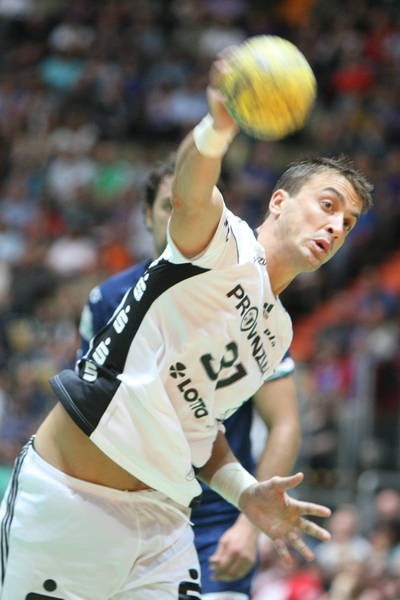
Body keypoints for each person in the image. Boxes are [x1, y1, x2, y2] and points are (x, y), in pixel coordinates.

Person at [0, 52, 373, 600]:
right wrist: (217, 128)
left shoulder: (278, 332)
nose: (336, 225)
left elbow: (201, 429)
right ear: (279, 202)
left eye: (348, 222)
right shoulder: (222, 242)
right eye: (327, 205)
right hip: (70, 501)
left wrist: (245, 493)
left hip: (164, 522)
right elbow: (191, 189)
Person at [78, 156, 300, 599]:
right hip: (128, 509)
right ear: (147, 216)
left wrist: (249, 525)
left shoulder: (252, 298)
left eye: (186, 204)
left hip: (215, 516)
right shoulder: (108, 298)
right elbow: (89, 406)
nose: (177, 216)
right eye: (167, 206)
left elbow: (285, 423)